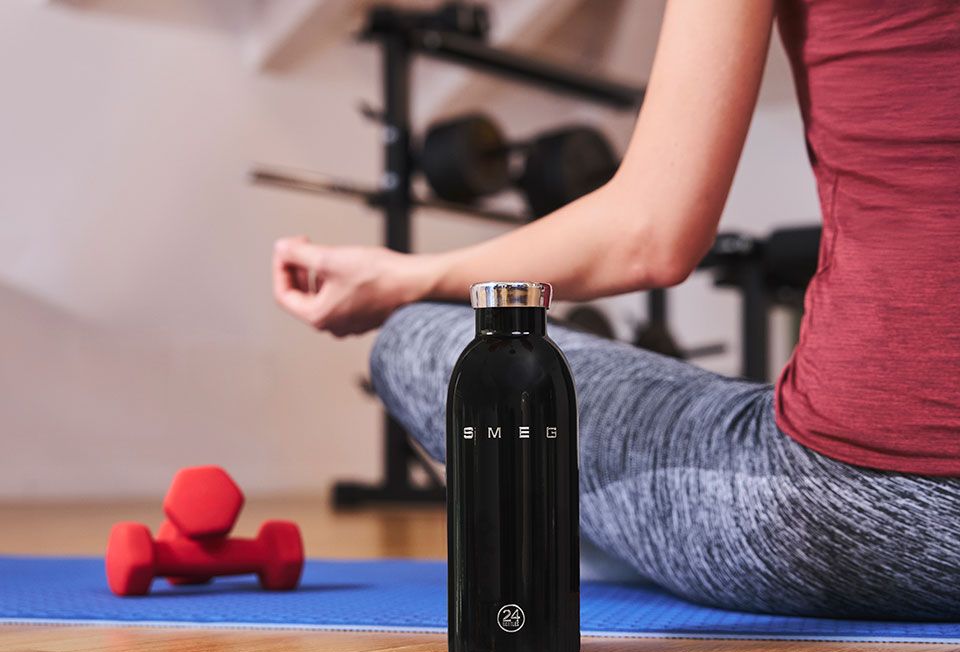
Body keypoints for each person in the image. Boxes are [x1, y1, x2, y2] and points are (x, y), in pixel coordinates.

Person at [272, 0, 960, 620]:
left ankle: (622, 537)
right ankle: (626, 537)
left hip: (880, 512)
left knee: (418, 341)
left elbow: (649, 238)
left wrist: (407, 279)